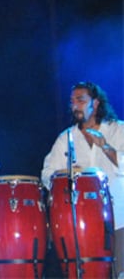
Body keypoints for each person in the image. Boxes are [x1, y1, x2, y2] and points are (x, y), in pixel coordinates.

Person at [41, 81, 124, 278]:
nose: (74, 106)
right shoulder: (66, 138)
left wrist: (106, 147)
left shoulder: (117, 130)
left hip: (119, 217)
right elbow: (47, 174)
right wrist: (65, 175)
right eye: (72, 101)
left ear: (95, 104)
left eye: (80, 100)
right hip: (85, 224)